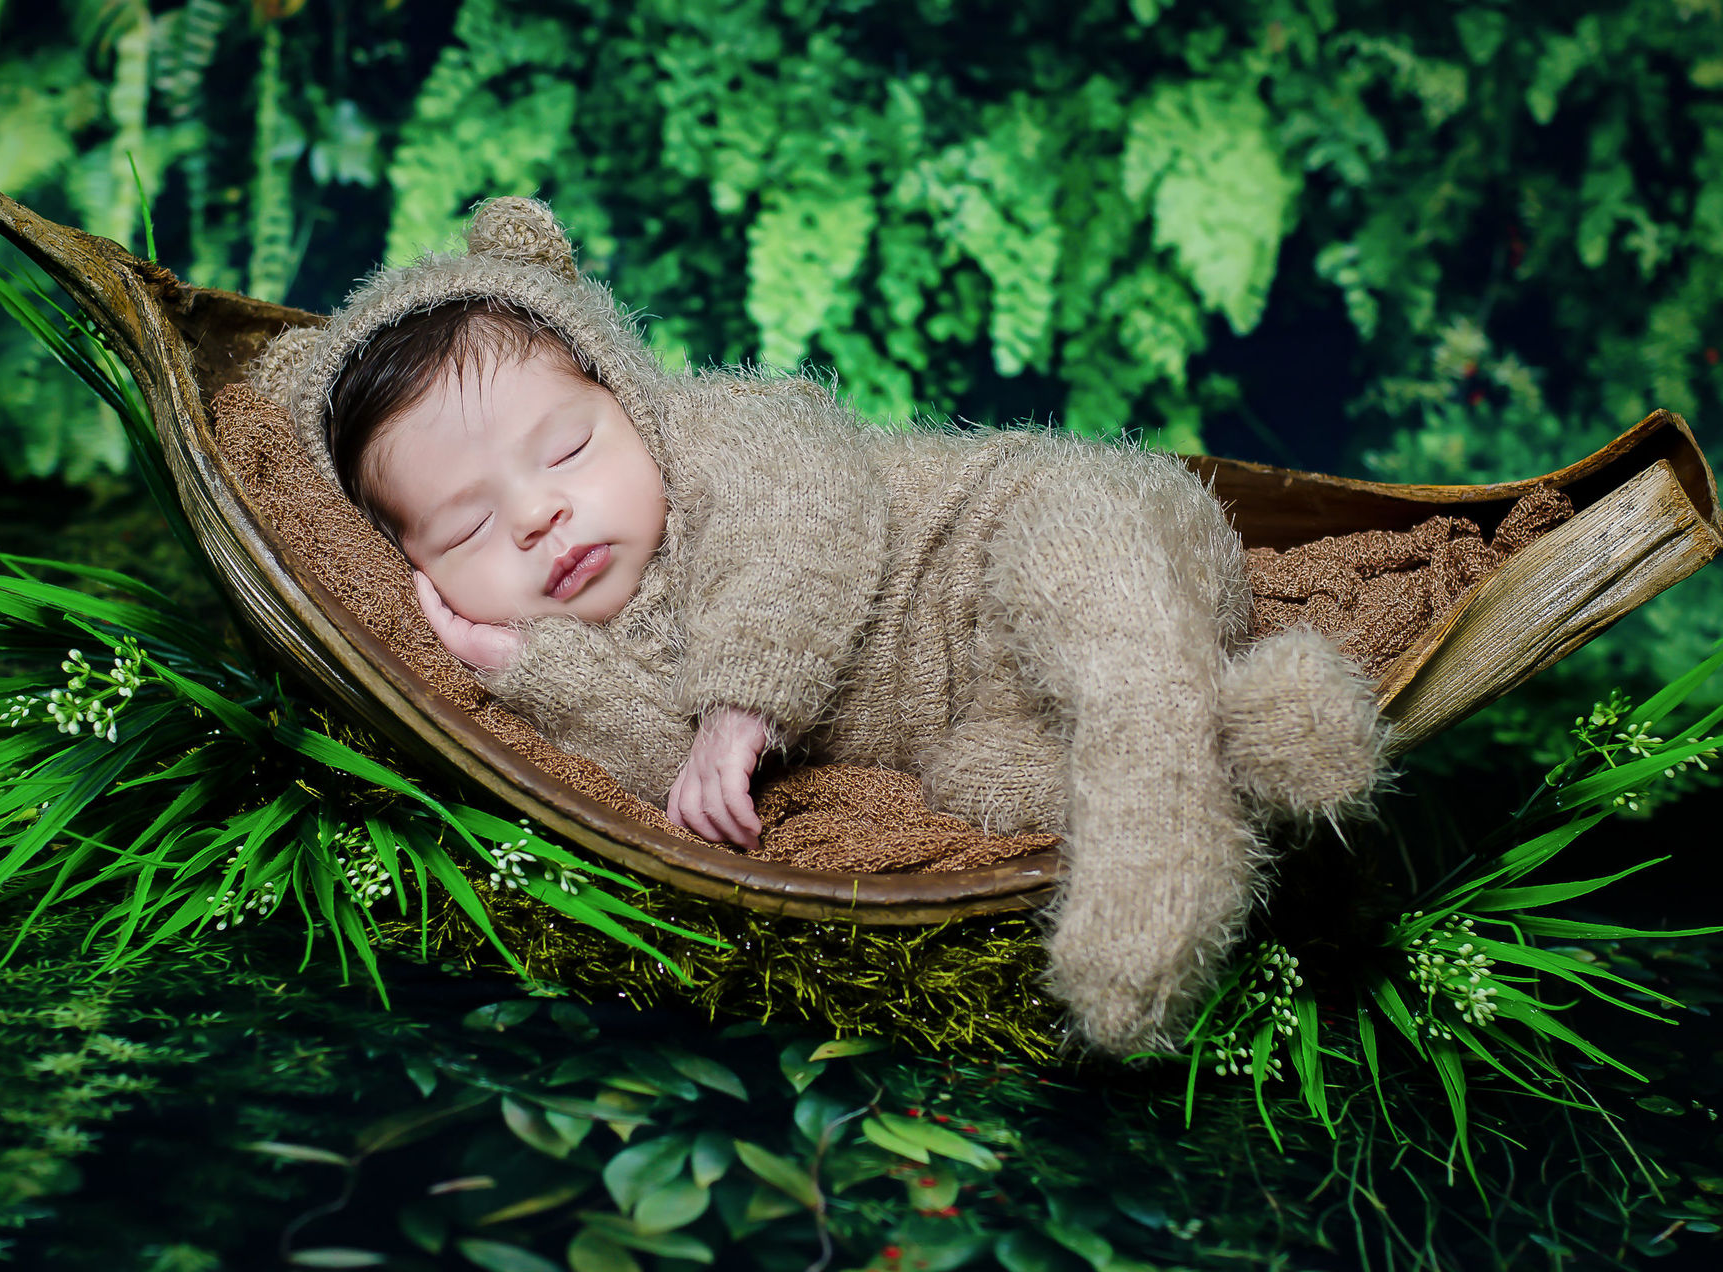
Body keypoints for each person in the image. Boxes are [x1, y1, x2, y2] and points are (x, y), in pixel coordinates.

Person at [251, 197, 1385, 1055]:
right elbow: (682, 784)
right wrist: (532, 671)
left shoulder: (723, 438)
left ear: (631, 399)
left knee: (1089, 598)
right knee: (987, 783)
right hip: (971, 709)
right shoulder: (580, 642)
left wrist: (740, 703)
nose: (541, 513)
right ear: (416, 572)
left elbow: (807, 524)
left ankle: (1159, 850)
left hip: (1025, 531)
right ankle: (1245, 727)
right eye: (467, 527)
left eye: (566, 450)